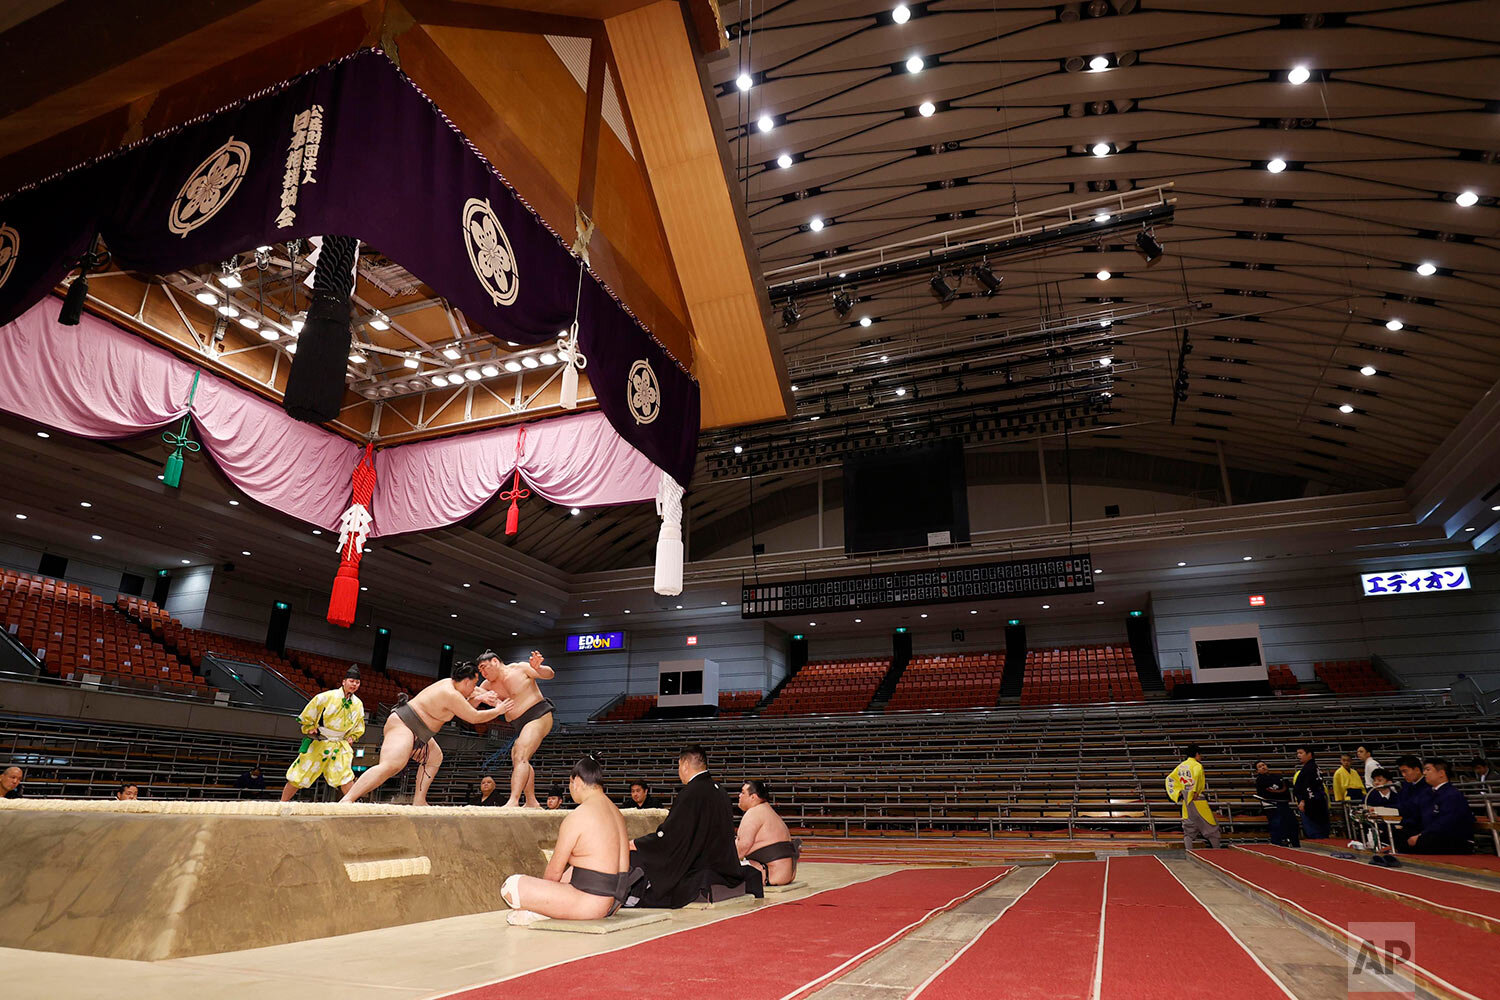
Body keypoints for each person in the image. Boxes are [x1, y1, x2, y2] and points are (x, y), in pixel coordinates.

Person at [341, 661, 512, 805]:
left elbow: (475, 696)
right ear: (467, 681)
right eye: (474, 683)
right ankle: (348, 799)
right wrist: (499, 710)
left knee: (434, 757)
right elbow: (473, 717)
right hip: (404, 725)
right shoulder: (450, 693)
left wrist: (489, 697)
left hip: (420, 732)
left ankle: (419, 799)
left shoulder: (454, 685)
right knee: (391, 765)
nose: (474, 687)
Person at [500, 754, 638, 925]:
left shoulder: (579, 815)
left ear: (577, 782)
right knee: (574, 868)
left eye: (570, 784)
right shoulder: (617, 813)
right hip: (615, 901)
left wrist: (544, 900)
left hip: (591, 904)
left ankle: (544, 913)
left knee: (511, 886)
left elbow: (553, 874)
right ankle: (554, 909)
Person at [627, 744, 758, 908]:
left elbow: (672, 836)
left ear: (685, 765)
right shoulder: (720, 791)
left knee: (637, 855)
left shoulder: (690, 793)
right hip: (723, 864)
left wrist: (639, 843)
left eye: (679, 766)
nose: (679, 770)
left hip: (699, 865)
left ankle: (633, 896)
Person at [475, 649, 556, 809]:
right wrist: (481, 697)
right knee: (518, 757)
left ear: (495, 662)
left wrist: (538, 668)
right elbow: (471, 702)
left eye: (484, 667)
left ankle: (513, 800)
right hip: (519, 724)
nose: (482, 672)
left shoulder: (520, 668)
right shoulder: (486, 685)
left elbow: (550, 674)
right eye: (480, 670)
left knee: (520, 754)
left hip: (538, 715)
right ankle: (531, 801)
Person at [282, 666, 367, 802]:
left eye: (357, 682)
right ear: (344, 681)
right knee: (299, 774)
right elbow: (309, 713)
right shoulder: (326, 697)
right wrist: (310, 727)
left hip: (340, 743)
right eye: (351, 681)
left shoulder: (358, 704)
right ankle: (282, 802)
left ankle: (352, 804)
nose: (354, 685)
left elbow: (359, 724)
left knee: (345, 776)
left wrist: (354, 736)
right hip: (320, 740)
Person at [1402, 758, 1474, 854]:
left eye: (1428, 770)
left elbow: (1446, 822)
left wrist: (1421, 835)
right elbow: (1415, 815)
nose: (1424, 773)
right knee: (1400, 834)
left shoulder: (1452, 794)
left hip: (1451, 837)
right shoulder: (1427, 793)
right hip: (1429, 832)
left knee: (1424, 841)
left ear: (1441, 773)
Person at [735, 779, 799, 885]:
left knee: (717, 869)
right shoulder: (770, 812)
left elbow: (742, 848)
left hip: (769, 874)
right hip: (783, 874)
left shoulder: (753, 813)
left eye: (742, 792)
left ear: (753, 797)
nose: (739, 795)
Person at [1166, 744, 1220, 849]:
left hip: (1186, 801)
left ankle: (1189, 851)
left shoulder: (1181, 766)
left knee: (1189, 829)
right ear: (1197, 754)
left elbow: (1170, 779)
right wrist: (1194, 791)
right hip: (1197, 799)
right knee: (1210, 826)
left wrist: (1178, 792)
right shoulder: (1197, 765)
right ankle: (1218, 851)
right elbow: (1196, 776)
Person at [1253, 760, 1299, 847]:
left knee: (1292, 823)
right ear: (1257, 771)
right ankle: (1277, 843)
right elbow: (1267, 792)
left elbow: (1285, 787)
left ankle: (1294, 842)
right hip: (1271, 805)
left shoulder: (1277, 776)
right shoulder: (1260, 780)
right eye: (1260, 766)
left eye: (1264, 765)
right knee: (1276, 824)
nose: (1263, 767)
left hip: (1283, 803)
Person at [1292, 745, 1330, 839]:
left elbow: (1307, 787)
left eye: (1301, 753)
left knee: (1316, 830)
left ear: (1309, 754)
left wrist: (1303, 800)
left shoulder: (1310, 768)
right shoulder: (1311, 768)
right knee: (1320, 829)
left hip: (1312, 801)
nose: (1298, 756)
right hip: (1315, 800)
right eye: (1297, 753)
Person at [1392, 754, 1430, 848]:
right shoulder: (1406, 786)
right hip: (1406, 822)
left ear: (1417, 769)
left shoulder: (1428, 786)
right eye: (1401, 772)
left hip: (1420, 826)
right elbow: (1401, 805)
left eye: (1405, 771)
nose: (1403, 775)